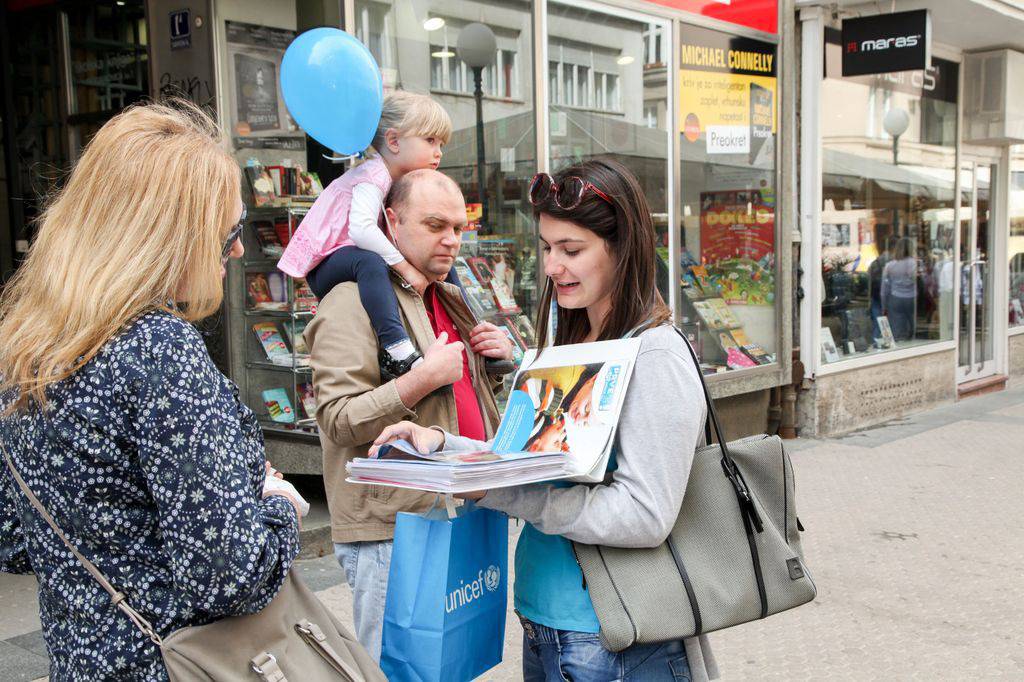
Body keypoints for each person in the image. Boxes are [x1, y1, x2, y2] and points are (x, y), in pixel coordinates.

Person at [370, 159, 720, 681]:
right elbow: (522, 458)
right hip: (551, 623)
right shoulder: (574, 347)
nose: (553, 266)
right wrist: (441, 447)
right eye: (548, 248)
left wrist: (503, 493)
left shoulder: (657, 356)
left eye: (572, 250)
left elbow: (645, 514)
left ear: (624, 249)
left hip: (616, 635)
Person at [0, 101, 308, 680]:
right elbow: (227, 576)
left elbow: (13, 537)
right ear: (169, 237)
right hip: (178, 664)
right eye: (228, 234)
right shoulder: (159, 348)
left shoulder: (30, 348)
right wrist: (278, 507)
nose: (238, 251)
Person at [303, 168, 513, 661]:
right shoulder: (351, 301)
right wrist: (422, 378)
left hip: (459, 512)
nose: (451, 241)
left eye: (459, 229)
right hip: (393, 529)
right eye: (435, 225)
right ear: (391, 223)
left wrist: (495, 362)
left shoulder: (446, 294)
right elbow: (335, 418)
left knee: (454, 663)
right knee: (395, 669)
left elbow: (455, 394)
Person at [279, 90, 466, 379]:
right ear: (393, 141)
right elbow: (362, 230)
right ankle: (397, 347)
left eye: (441, 143)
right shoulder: (372, 175)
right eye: (430, 140)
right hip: (327, 264)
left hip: (349, 256)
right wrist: (405, 268)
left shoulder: (393, 179)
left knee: (443, 257)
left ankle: (471, 324)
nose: (438, 151)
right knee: (370, 261)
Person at [882, 236, 918, 341]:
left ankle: (898, 346)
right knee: (911, 325)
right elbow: (916, 278)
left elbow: (884, 288)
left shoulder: (890, 265)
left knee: (895, 328)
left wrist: (884, 306)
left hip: (895, 297)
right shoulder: (913, 263)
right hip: (911, 297)